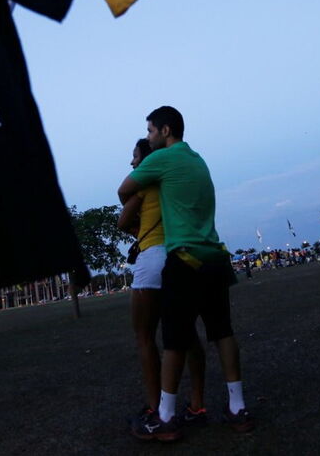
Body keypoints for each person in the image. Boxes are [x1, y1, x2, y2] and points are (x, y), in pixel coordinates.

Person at [119, 106, 253, 441]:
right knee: (222, 332)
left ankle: (165, 417)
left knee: (174, 340)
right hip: (215, 255)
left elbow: (124, 191)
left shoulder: (160, 159)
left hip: (184, 258)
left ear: (165, 131)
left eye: (151, 131)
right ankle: (237, 408)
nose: (149, 138)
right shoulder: (198, 159)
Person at [117, 139, 207, 429]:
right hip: (181, 257)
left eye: (135, 157)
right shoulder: (174, 185)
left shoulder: (145, 185)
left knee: (144, 336)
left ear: (147, 160)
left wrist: (138, 229)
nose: (132, 163)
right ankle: (197, 404)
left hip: (153, 259)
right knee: (189, 335)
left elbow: (122, 220)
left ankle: (155, 407)